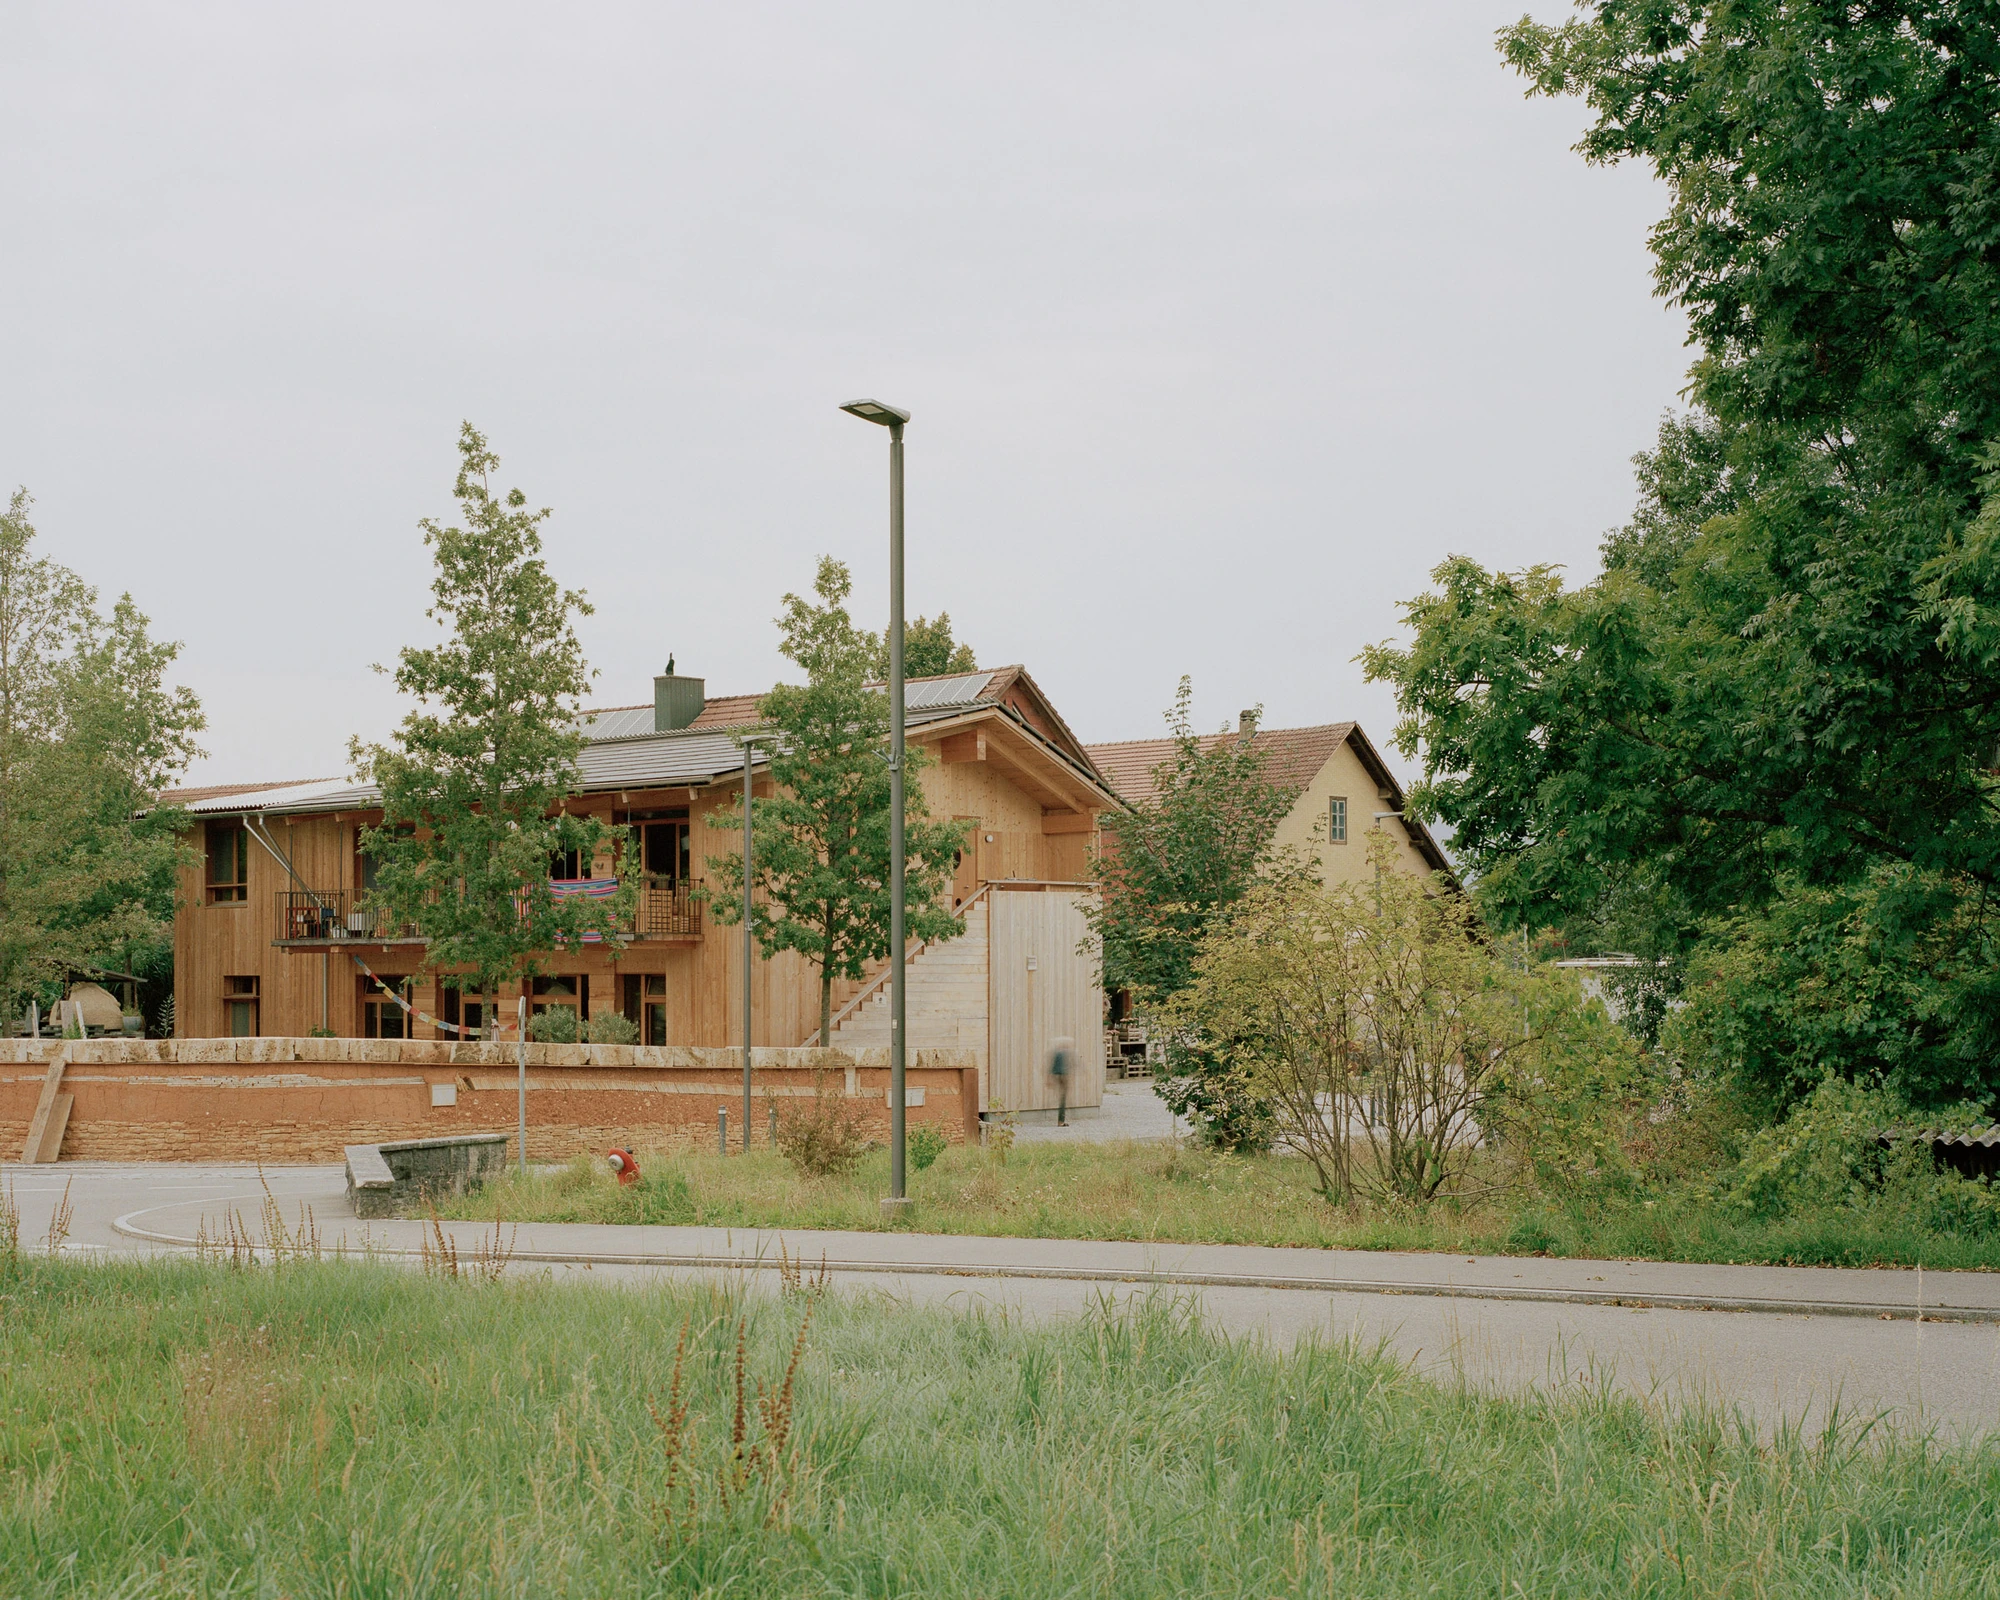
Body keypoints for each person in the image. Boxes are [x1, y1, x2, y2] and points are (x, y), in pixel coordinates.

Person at [1047, 1036, 1074, 1128]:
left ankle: (1061, 1120)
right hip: (1062, 1076)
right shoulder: (1062, 1053)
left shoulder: (1057, 1053)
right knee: (1063, 1097)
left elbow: (1052, 1067)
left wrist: (1049, 1078)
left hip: (1058, 1076)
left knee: (1062, 1097)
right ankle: (1061, 1121)